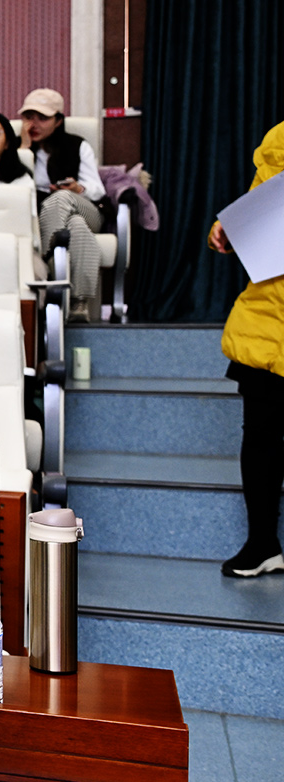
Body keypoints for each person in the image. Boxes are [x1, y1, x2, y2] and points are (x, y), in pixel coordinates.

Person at [211, 120, 284, 578]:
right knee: (260, 436)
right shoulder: (280, 138)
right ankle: (262, 543)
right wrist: (227, 229)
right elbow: (264, 207)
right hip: (268, 316)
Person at [20, 88, 107, 321]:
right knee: (76, 227)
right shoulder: (15, 150)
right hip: (43, 219)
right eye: (29, 117)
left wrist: (78, 189)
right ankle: (79, 303)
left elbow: (98, 190)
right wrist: (24, 150)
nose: (34, 124)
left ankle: (50, 263)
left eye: (42, 118)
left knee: (61, 200)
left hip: (86, 208)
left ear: (58, 121)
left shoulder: (77, 145)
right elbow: (14, 189)